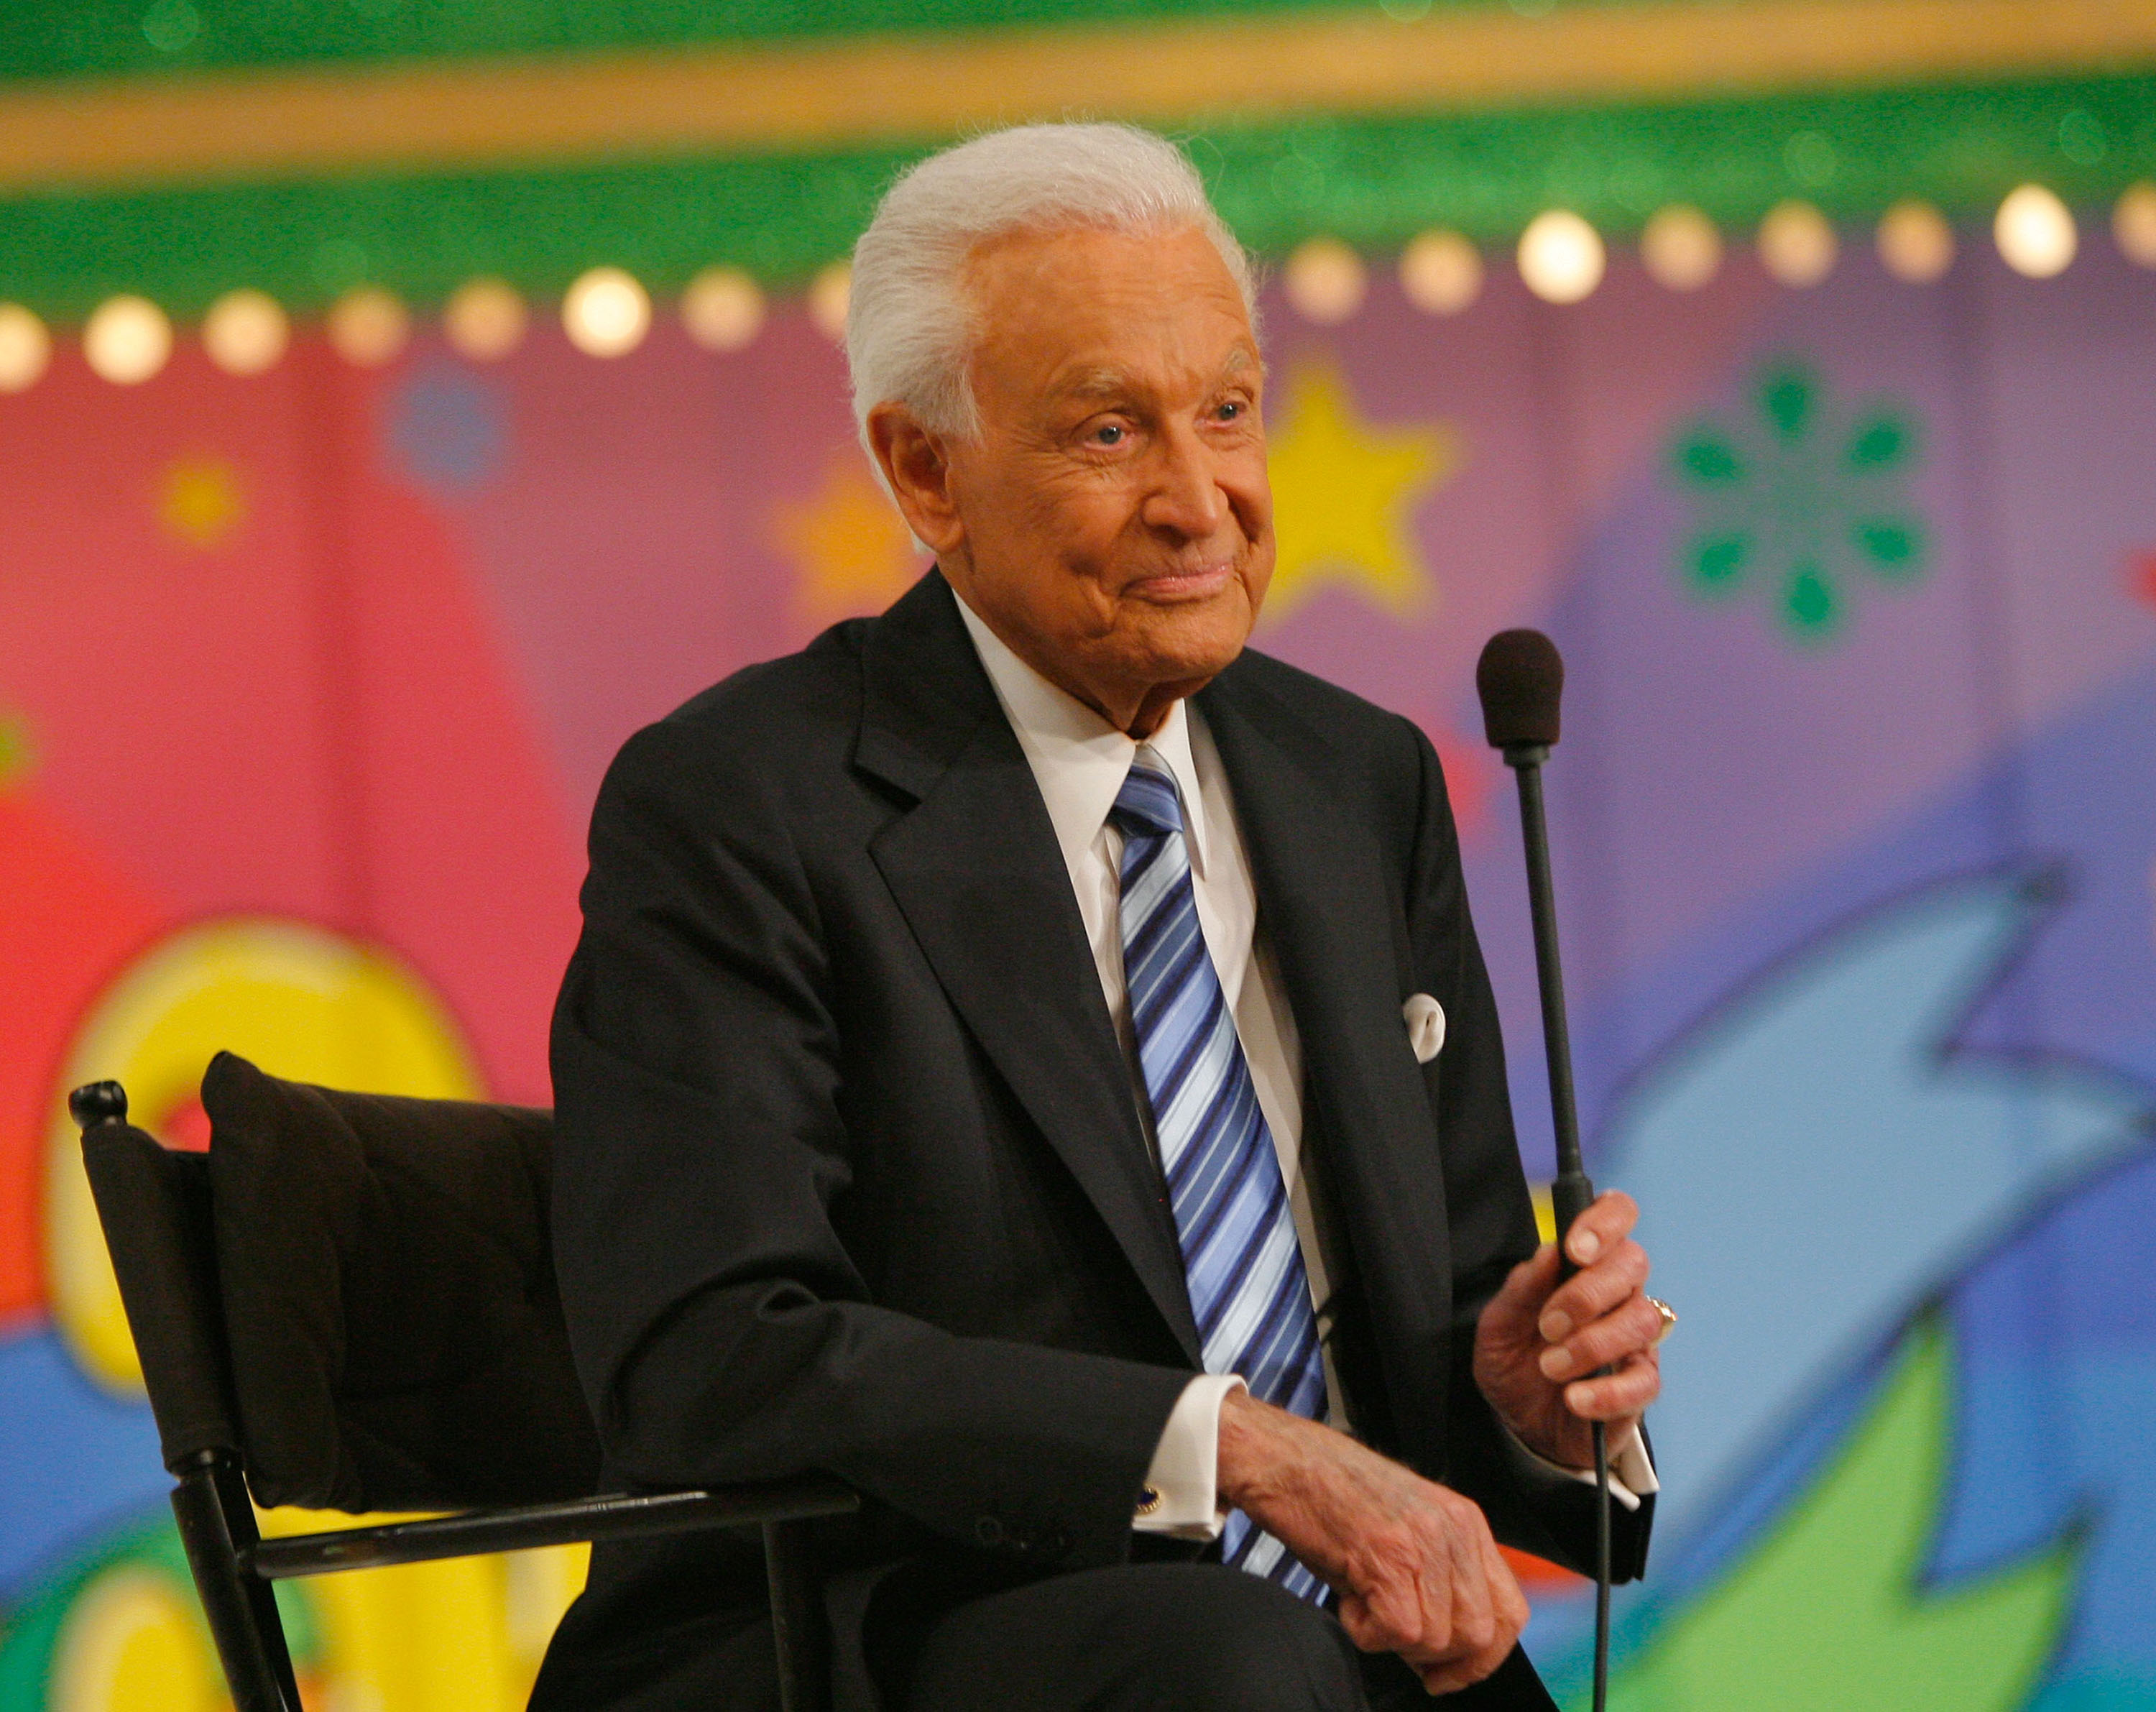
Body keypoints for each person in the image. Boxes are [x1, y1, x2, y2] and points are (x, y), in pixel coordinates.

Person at [533, 123, 1664, 1712]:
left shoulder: (1358, 784)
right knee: (1235, 1665)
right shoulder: (748, 803)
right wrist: (1221, 1446)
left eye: (1226, 412)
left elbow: (1460, 1309)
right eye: (1109, 432)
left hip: (1320, 1660)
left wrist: (1531, 1404)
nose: (1201, 501)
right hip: (882, 1633)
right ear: (926, 470)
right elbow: (715, 1347)